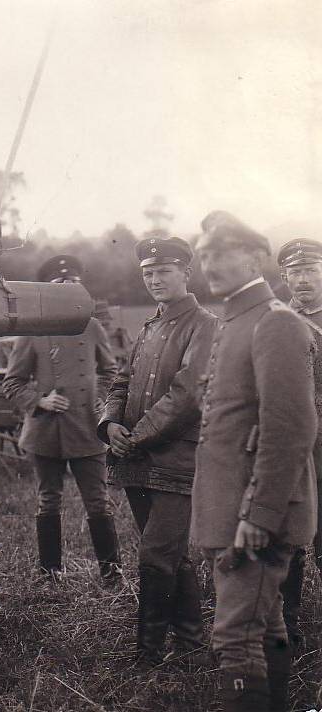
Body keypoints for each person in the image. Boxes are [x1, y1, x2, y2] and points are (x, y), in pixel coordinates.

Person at [191, 211, 317, 712]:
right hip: (231, 511)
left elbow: (291, 429)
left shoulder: (275, 322)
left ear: (255, 256)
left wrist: (260, 516)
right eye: (203, 254)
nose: (209, 262)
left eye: (221, 251)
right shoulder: (236, 320)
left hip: (256, 516)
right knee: (265, 626)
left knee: (235, 637)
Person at [98, 237, 217, 664]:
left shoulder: (205, 325)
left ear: (186, 273)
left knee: (154, 554)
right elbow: (121, 382)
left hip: (176, 460)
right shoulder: (148, 327)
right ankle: (190, 643)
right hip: (137, 458)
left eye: (164, 271)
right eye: (148, 273)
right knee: (170, 553)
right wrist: (109, 422)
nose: (154, 280)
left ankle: (147, 654)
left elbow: (188, 395)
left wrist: (138, 434)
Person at [2, 255, 122, 583]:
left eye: (72, 285)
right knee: (48, 499)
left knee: (98, 501)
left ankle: (112, 574)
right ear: (48, 291)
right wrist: (40, 400)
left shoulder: (93, 326)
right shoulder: (33, 331)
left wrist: (101, 401)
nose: (66, 290)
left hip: (87, 428)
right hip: (46, 431)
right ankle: (50, 573)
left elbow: (111, 371)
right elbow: (12, 382)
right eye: (59, 285)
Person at [275, 237, 322, 647]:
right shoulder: (276, 321)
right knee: (291, 536)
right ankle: (288, 624)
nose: (303, 279)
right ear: (283, 277)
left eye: (310, 270)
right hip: (293, 447)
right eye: (295, 272)